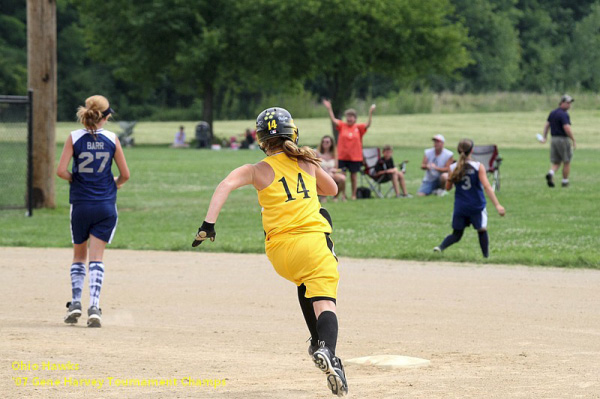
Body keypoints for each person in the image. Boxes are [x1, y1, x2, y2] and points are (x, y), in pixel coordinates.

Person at [191, 107, 348, 397]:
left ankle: (316, 342)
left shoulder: (256, 169)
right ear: (292, 133)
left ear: (261, 140)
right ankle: (331, 355)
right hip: (312, 244)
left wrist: (207, 225)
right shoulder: (306, 162)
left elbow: (224, 185)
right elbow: (333, 189)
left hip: (279, 252)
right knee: (325, 301)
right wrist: (307, 164)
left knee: (304, 282)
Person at [56, 95, 130, 328]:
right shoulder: (112, 139)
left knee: (79, 256)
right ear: (105, 116)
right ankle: (94, 307)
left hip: (80, 204)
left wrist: (76, 180)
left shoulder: (74, 137)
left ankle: (76, 302)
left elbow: (61, 171)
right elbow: (125, 175)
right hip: (105, 205)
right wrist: (112, 185)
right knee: (97, 258)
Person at [433, 139, 505, 258]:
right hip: (476, 206)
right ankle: (486, 256)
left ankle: (440, 247)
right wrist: (497, 205)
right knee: (481, 230)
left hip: (461, 206)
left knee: (457, 234)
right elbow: (487, 186)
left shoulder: (453, 167)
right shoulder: (478, 166)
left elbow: (448, 188)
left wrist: (450, 178)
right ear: (472, 150)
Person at [322, 99, 376, 200]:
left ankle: (354, 194)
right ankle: (341, 195)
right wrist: (329, 108)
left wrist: (370, 112)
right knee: (342, 176)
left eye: (351, 117)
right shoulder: (342, 125)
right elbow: (334, 120)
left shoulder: (358, 127)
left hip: (355, 157)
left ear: (355, 118)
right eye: (348, 117)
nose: (349, 119)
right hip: (342, 156)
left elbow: (368, 124)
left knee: (353, 176)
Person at [540, 94, 576, 188]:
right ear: (561, 103)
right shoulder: (564, 114)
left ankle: (550, 173)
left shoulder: (553, 113)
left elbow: (547, 125)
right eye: (567, 103)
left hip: (554, 139)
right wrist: (573, 139)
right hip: (563, 139)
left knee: (557, 161)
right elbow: (566, 128)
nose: (569, 105)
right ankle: (565, 181)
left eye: (570, 103)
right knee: (566, 161)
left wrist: (544, 137)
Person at [317, 135, 346, 202]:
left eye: (327, 142)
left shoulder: (334, 154)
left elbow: (336, 167)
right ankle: (323, 196)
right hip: (321, 174)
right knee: (329, 176)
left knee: (343, 178)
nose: (325, 143)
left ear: (331, 143)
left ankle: (336, 196)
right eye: (323, 142)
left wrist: (334, 170)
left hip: (332, 173)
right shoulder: (317, 153)